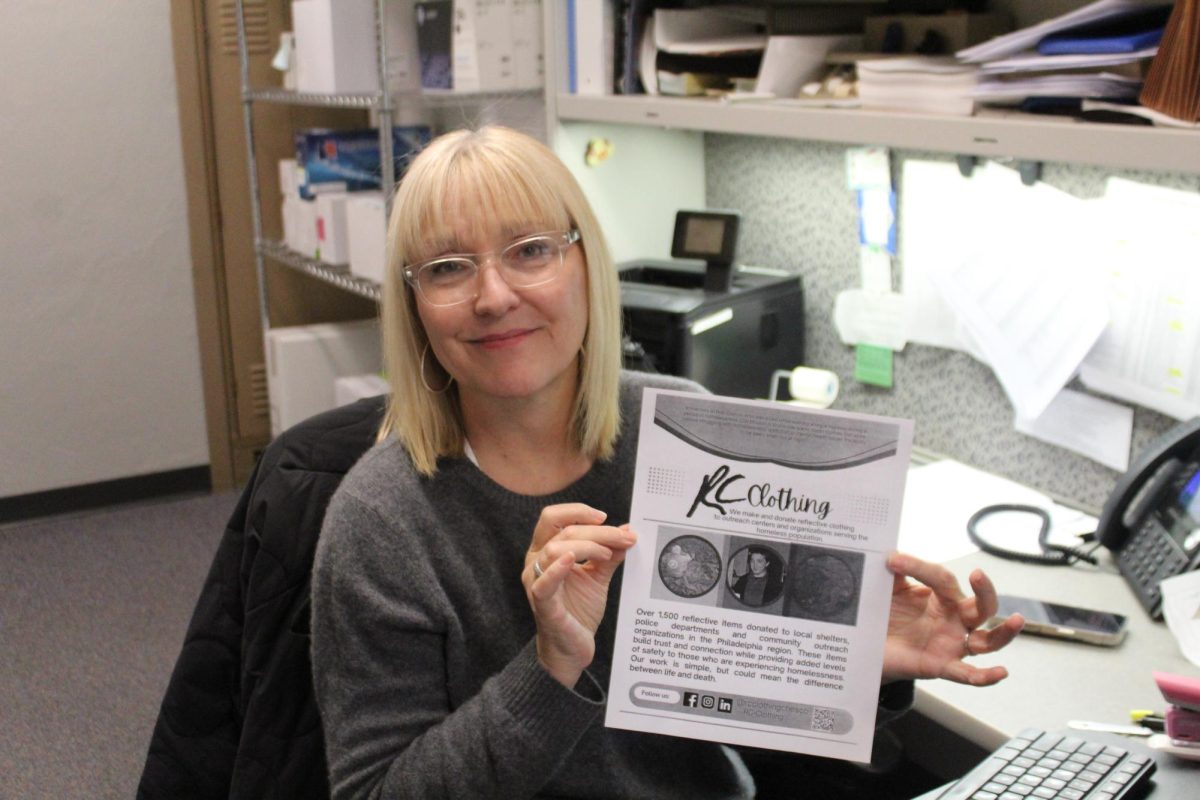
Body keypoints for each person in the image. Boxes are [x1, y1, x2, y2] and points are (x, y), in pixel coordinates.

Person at [310, 125, 1025, 800]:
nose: (494, 296)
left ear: (586, 264)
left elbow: (739, 718)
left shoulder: (685, 435)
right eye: (447, 268)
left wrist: (849, 664)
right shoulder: (382, 520)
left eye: (531, 250)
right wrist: (552, 666)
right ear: (415, 307)